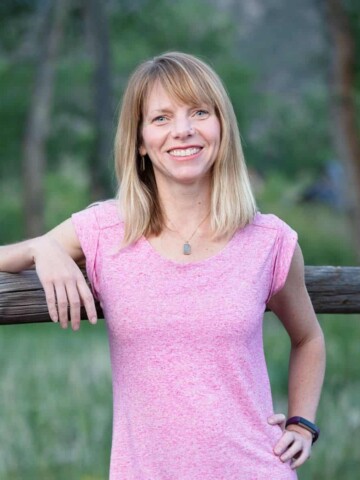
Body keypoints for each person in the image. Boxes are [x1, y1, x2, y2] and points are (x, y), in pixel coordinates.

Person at [0, 52, 325, 479]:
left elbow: (309, 339)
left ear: (221, 126)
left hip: (254, 467)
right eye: (161, 118)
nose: (183, 131)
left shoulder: (268, 240)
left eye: (199, 113)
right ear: (139, 140)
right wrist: (43, 249)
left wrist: (302, 426)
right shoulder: (105, 229)